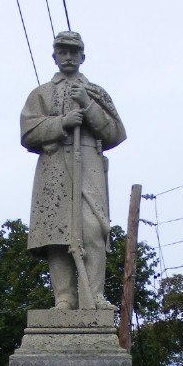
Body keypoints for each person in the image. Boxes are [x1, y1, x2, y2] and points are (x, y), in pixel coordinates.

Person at [21, 31, 126, 310]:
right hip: (54, 168)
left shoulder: (96, 92)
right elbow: (28, 132)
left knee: (92, 228)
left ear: (82, 56)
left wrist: (88, 107)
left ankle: (94, 297)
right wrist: (62, 123)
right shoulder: (41, 94)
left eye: (73, 52)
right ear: (54, 56)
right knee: (58, 233)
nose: (68, 57)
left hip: (88, 165)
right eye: (62, 51)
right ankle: (64, 297)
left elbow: (116, 132)